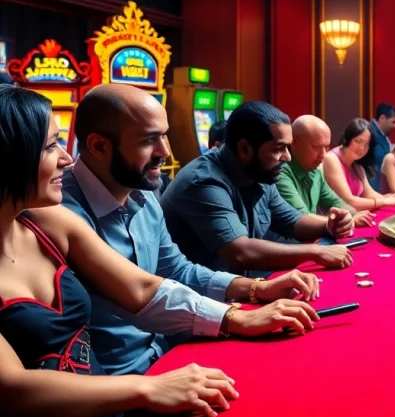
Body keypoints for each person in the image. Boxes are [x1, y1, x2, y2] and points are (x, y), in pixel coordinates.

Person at [0, 85, 318, 417]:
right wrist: (147, 388)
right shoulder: (65, 207)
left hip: (138, 374)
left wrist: (241, 308)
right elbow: (12, 390)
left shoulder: (47, 219)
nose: (66, 157)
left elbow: (143, 288)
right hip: (103, 392)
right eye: (51, 146)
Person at [57, 85, 323, 376]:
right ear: (98, 146)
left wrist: (256, 288)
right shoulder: (59, 212)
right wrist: (235, 317)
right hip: (115, 378)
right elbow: (141, 291)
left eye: (164, 135)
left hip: (167, 349)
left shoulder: (143, 191)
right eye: (149, 140)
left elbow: (175, 269)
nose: (166, 152)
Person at [161, 101, 355, 276]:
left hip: (235, 288)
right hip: (194, 302)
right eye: (278, 148)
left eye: (287, 148)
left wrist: (329, 225)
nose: (287, 157)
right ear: (244, 149)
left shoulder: (260, 173)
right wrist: (317, 252)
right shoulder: (203, 182)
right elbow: (240, 252)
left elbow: (292, 221)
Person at [277, 115, 373, 227]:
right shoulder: (280, 172)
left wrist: (353, 214)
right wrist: (346, 220)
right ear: (294, 143)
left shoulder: (315, 171)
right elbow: (302, 217)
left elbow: (336, 202)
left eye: (326, 148)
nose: (323, 155)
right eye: (317, 147)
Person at [324, 118, 395, 210]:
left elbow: (369, 194)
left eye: (366, 144)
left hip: (352, 216)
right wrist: (385, 201)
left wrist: (389, 198)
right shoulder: (331, 159)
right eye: (358, 141)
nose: (362, 148)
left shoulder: (357, 165)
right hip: (330, 219)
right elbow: (348, 201)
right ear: (346, 139)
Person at [368, 103, 395, 190]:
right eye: (393, 122)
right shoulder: (369, 133)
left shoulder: (382, 135)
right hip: (373, 187)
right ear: (382, 118)